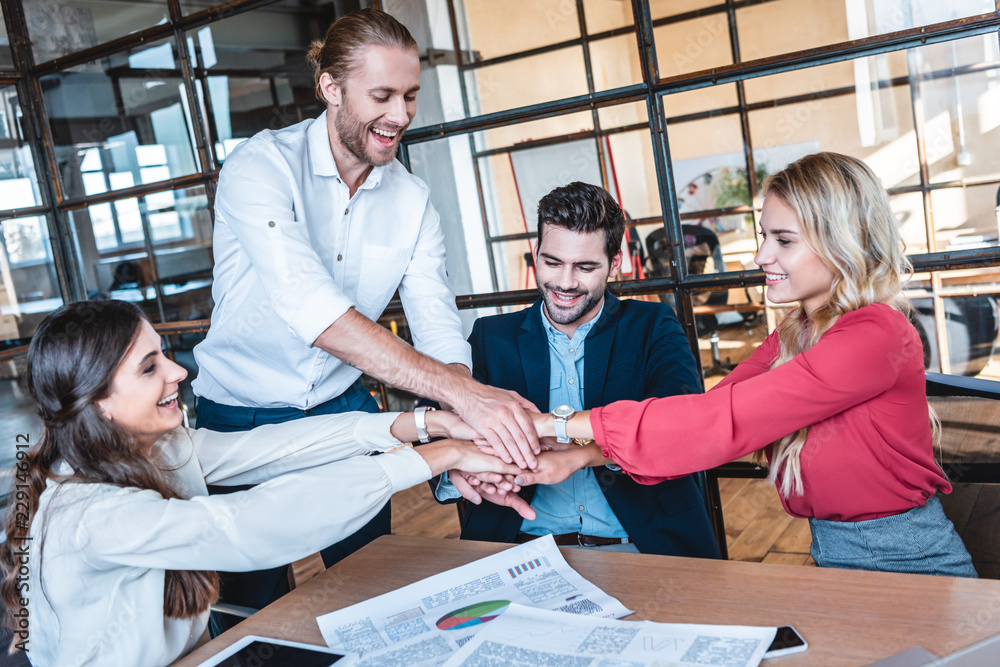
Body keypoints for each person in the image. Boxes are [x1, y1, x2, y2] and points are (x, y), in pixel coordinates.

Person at [190, 8, 537, 630]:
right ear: (330, 88)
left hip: (339, 412)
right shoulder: (259, 167)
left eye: (409, 96)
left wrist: (459, 429)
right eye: (382, 95)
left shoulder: (411, 199)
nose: (401, 115)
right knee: (255, 615)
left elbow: (435, 319)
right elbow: (311, 309)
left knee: (375, 592)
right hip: (236, 419)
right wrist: (462, 396)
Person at [519, 153, 977, 577]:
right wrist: (583, 454)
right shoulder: (798, 331)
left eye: (784, 240)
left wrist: (552, 425)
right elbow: (704, 419)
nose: (761, 256)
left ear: (840, 243)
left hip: (907, 558)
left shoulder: (875, 333)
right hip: (834, 549)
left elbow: (724, 420)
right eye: (764, 235)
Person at [0, 300, 521, 667]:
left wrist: (428, 426)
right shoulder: (90, 514)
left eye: (164, 354)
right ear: (99, 404)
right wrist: (438, 457)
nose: (178, 373)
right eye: (149, 367)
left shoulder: (157, 447)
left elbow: (274, 449)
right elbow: (255, 523)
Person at [435, 182, 720, 558]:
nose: (565, 283)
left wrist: (577, 452)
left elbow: (680, 426)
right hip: (517, 551)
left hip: (644, 549)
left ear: (615, 263)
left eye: (585, 267)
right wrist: (460, 467)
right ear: (536, 253)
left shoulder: (653, 326)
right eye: (552, 262)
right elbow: (442, 428)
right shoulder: (491, 337)